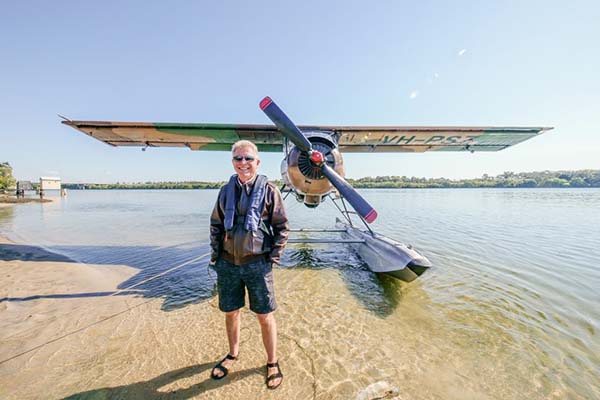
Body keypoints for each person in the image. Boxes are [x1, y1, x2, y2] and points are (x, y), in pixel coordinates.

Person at [209, 140, 289, 390]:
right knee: (231, 312)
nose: (243, 163)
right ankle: (232, 354)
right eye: (238, 159)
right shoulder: (224, 191)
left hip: (258, 264)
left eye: (248, 159)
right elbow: (216, 225)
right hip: (228, 264)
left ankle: (272, 362)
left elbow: (282, 227)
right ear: (233, 162)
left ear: (257, 162)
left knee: (265, 316)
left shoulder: (270, 191)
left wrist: (272, 259)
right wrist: (216, 258)